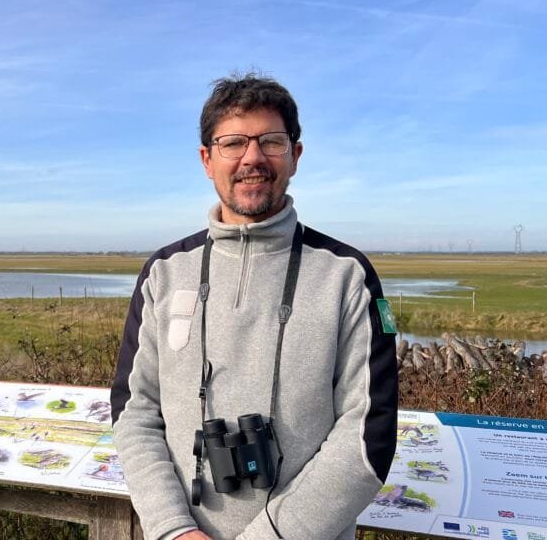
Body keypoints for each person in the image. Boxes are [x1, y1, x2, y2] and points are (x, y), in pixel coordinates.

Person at [110, 72, 398, 540]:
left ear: (296, 155)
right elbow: (134, 411)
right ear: (207, 159)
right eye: (233, 143)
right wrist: (172, 529)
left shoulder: (346, 275)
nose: (253, 158)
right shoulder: (164, 273)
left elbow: (368, 437)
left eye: (271, 141)